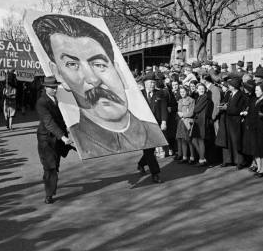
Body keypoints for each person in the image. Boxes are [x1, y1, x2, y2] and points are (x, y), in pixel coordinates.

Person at [32, 14, 167, 159]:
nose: (93, 79)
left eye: (99, 64)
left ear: (118, 70)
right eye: (72, 65)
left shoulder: (153, 132)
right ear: (59, 75)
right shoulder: (81, 140)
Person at [36, 76, 75, 204]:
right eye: (51, 87)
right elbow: (49, 123)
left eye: (55, 87)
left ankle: (50, 185)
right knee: (50, 167)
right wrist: (63, 137)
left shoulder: (60, 98)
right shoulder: (41, 102)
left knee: (55, 166)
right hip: (46, 139)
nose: (54, 89)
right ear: (45, 87)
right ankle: (49, 194)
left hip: (58, 140)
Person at [222, 77, 247, 169]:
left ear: (234, 86)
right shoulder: (230, 94)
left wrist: (226, 108)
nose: (228, 86)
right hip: (229, 120)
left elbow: (238, 109)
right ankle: (231, 160)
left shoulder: (241, 95)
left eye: (230, 85)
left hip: (236, 121)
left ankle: (240, 161)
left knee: (237, 141)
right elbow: (227, 104)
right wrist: (224, 105)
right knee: (230, 141)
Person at [190, 83, 214, 166]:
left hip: (202, 121)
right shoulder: (200, 97)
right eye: (199, 88)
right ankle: (202, 157)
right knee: (194, 140)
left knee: (200, 140)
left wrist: (192, 109)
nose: (201, 90)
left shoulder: (204, 97)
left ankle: (201, 159)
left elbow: (196, 109)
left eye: (202, 88)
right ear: (196, 89)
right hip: (199, 121)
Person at [176, 85, 195, 164]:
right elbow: (178, 111)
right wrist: (180, 114)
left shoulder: (191, 100)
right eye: (181, 92)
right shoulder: (180, 100)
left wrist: (183, 115)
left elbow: (191, 112)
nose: (182, 93)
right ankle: (184, 157)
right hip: (181, 122)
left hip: (188, 121)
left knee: (189, 140)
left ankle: (192, 157)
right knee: (183, 140)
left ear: (187, 91)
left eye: (183, 92)